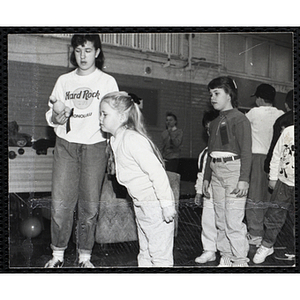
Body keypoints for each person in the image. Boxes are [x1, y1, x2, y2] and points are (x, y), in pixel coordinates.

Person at [45, 34, 118, 268]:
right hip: (66, 144)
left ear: (97, 52)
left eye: (88, 50)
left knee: (89, 205)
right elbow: (52, 117)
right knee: (60, 203)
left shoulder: (107, 82)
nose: (83, 56)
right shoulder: (64, 81)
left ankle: (85, 256)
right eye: (78, 50)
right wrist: (59, 114)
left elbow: (116, 118)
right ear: (73, 52)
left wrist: (114, 151)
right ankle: (57, 254)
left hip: (95, 145)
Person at [99, 91, 176, 267]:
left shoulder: (132, 139)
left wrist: (166, 205)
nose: (100, 118)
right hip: (140, 203)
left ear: (121, 116)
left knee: (159, 255)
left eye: (104, 114)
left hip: (156, 204)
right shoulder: (114, 139)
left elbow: (157, 173)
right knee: (146, 251)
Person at [203, 76, 252, 267]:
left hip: (234, 171)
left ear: (229, 95)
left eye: (217, 93)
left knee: (233, 221)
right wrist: (207, 177)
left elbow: (246, 151)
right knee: (220, 220)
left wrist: (244, 179)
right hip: (216, 172)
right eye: (211, 94)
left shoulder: (240, 119)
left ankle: (240, 260)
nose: (212, 98)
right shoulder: (215, 122)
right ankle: (226, 255)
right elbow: (210, 153)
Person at [245, 84, 284, 247]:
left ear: (260, 99)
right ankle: (270, 235)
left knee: (255, 195)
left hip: (257, 157)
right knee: (271, 197)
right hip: (276, 159)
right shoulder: (281, 114)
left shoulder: (253, 113)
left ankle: (254, 233)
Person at [253, 125, 294, 264]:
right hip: (284, 182)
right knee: (274, 215)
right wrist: (273, 177)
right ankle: (267, 245)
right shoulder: (289, 131)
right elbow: (276, 154)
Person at [194, 110, 219, 264]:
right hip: (209, 192)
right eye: (208, 130)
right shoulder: (205, 153)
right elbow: (201, 174)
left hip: (226, 191)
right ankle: (209, 250)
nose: (211, 134)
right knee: (208, 220)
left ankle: (231, 251)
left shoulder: (231, 152)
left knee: (228, 221)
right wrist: (198, 192)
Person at [264, 89, 294, 174]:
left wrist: (268, 166)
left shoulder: (282, 120)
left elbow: (275, 145)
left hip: (285, 168)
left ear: (286, 105)